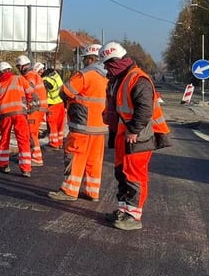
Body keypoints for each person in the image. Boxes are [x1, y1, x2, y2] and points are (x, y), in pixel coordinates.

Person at [100, 41, 171, 231]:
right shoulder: (119, 79)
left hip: (138, 137)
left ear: (115, 61)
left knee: (135, 176)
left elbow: (145, 109)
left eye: (107, 64)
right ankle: (124, 209)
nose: (106, 68)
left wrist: (133, 129)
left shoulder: (138, 79)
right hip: (123, 136)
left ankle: (134, 215)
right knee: (122, 173)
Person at [48, 43, 108, 203]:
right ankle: (92, 192)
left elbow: (65, 92)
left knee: (75, 157)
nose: (83, 62)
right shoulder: (107, 76)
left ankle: (69, 190)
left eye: (85, 59)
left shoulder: (84, 75)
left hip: (82, 126)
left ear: (90, 59)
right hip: (100, 127)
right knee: (94, 161)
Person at [0, 61, 34, 177]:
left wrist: (0, 117)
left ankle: (3, 164)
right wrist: (29, 105)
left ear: (0, 72)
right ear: (9, 70)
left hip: (4, 115)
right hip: (19, 113)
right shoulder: (18, 79)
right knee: (23, 139)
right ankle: (26, 169)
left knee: (4, 139)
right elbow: (30, 93)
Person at [15, 55, 48, 167]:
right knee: (32, 132)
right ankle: (33, 155)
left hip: (35, 108)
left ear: (23, 66)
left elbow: (29, 88)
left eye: (19, 67)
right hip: (39, 106)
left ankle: (37, 157)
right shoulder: (33, 74)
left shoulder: (29, 76)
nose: (18, 69)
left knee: (31, 132)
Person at [41, 64, 66, 149]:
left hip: (52, 105)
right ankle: (60, 142)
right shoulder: (55, 74)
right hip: (61, 103)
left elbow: (44, 90)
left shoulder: (45, 79)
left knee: (52, 124)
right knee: (60, 124)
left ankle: (54, 144)